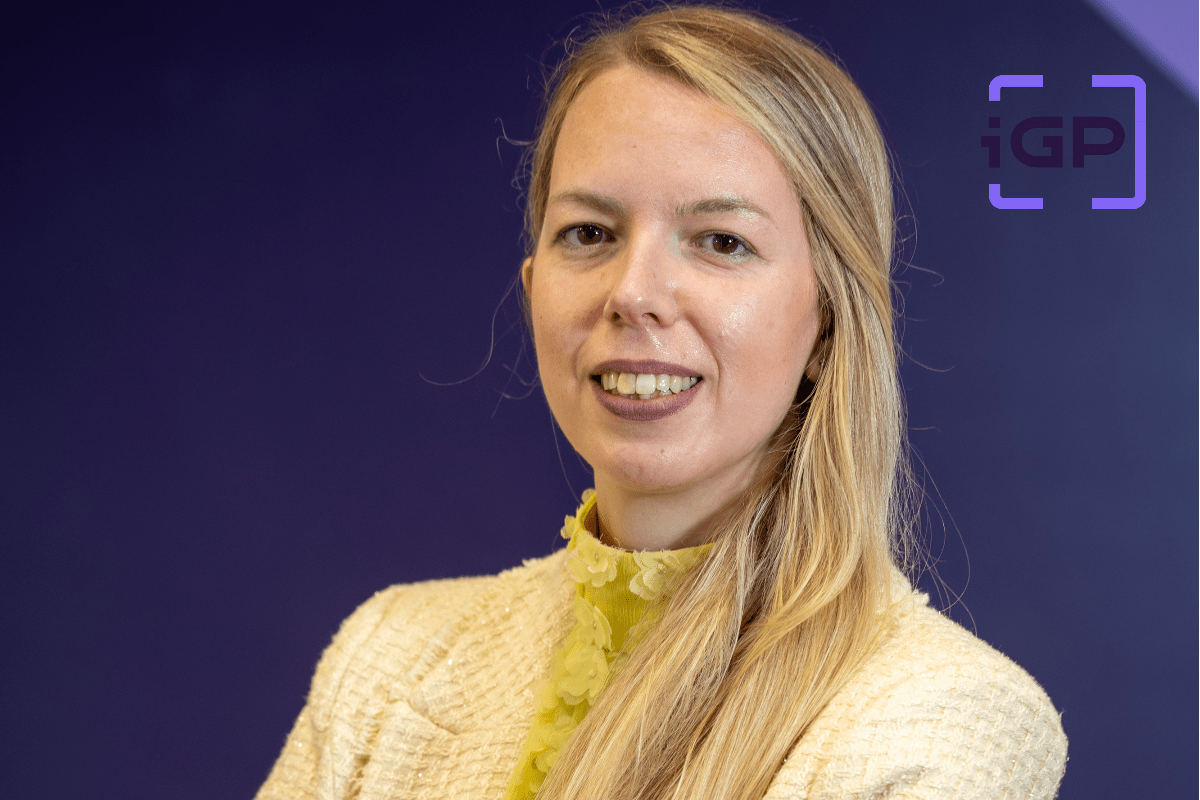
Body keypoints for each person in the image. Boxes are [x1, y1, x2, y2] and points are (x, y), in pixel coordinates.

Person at [255, 5, 1067, 799]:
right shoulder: (385, 661)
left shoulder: (945, 718)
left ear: (827, 321)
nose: (633, 293)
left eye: (722, 242)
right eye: (589, 233)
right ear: (533, 288)